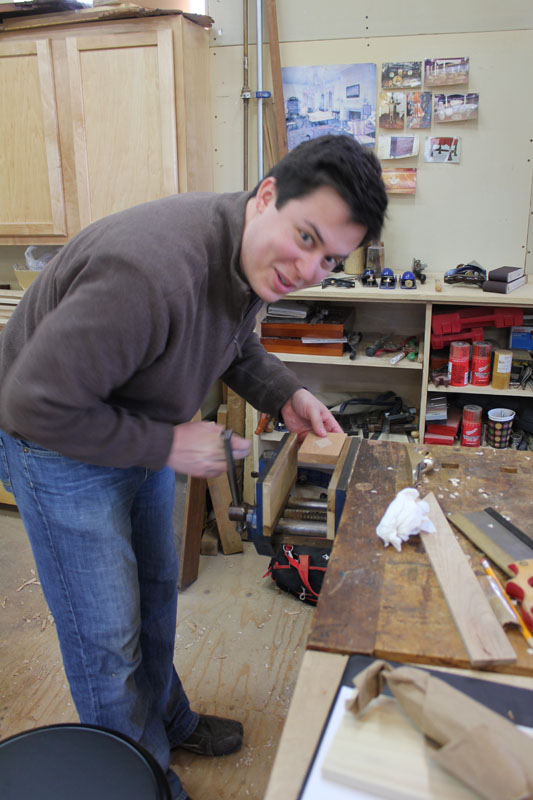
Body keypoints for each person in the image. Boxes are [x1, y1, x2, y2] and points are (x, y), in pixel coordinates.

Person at [0, 134, 387, 799]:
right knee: (106, 639)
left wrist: (284, 394)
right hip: (58, 446)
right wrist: (168, 445)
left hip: (141, 432)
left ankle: (167, 721)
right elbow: (32, 403)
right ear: (267, 195)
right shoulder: (146, 272)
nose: (307, 269)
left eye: (328, 258)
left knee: (155, 601)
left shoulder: (248, 253)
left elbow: (232, 343)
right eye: (305, 238)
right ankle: (140, 777)